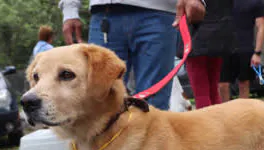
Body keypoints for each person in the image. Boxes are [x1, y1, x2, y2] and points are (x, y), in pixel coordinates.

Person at [58, 0, 206, 111]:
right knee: (98, 102)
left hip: (159, 10)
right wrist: (69, 8)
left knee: (153, 106)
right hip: (104, 12)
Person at [181, 0, 235, 109]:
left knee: (201, 93)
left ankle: (206, 124)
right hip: (219, 36)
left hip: (195, 36)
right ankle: (218, 123)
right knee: (213, 90)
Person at [219, 0, 264, 102]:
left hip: (245, 48)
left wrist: (257, 53)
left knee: (244, 84)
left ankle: (243, 114)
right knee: (222, 84)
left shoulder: (258, 2)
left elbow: (261, 26)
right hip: (224, 47)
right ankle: (225, 114)